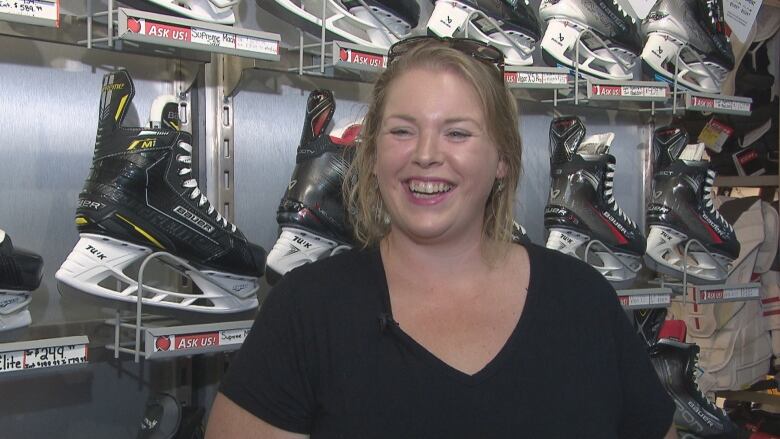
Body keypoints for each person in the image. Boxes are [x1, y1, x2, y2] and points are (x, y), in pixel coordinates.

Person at [205, 36, 676, 438]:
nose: (426, 155)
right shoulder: (305, 310)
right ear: (372, 154)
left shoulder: (583, 301)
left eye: (457, 133)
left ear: (502, 159)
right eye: (403, 131)